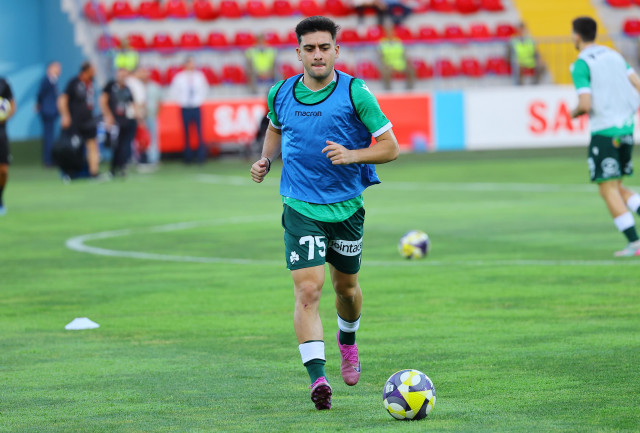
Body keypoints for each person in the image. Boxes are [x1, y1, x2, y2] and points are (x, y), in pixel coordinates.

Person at [249, 16, 399, 410]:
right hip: (300, 205)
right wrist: (266, 159)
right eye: (310, 48)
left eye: (324, 47)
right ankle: (318, 378)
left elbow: (390, 147)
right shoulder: (280, 92)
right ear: (298, 52)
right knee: (308, 289)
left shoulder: (355, 92)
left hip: (346, 208)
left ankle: (347, 341)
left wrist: (353, 155)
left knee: (345, 290)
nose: (318, 54)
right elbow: (276, 128)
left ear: (336, 50)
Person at [570, 16, 640, 257]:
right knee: (617, 186)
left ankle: (635, 243)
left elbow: (585, 104)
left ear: (576, 35)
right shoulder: (614, 55)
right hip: (626, 129)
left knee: (607, 189)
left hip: (604, 132)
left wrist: (573, 113)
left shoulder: (581, 64)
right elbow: (637, 84)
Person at [58, 62, 100, 177]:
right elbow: (62, 99)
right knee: (74, 147)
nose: (94, 73)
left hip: (89, 121)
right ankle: (70, 172)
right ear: (86, 71)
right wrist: (65, 115)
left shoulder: (91, 83)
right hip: (76, 122)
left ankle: (94, 173)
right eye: (92, 70)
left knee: (93, 146)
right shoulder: (74, 82)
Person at [169, 57, 209, 164]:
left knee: (199, 132)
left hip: (196, 106)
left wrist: (199, 100)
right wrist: (181, 101)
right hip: (185, 106)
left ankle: (201, 157)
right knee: (186, 132)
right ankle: (188, 157)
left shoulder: (199, 76)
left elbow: (205, 88)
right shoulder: (179, 77)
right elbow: (174, 91)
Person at [100, 68, 137, 177]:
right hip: (114, 121)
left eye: (124, 75)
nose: (122, 77)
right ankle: (113, 168)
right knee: (115, 145)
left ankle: (122, 167)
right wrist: (108, 115)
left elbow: (132, 103)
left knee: (124, 145)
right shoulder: (110, 86)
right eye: (120, 75)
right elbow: (103, 100)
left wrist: (136, 115)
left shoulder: (127, 89)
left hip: (126, 120)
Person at [36, 61, 61, 167]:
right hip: (47, 112)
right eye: (56, 67)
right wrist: (39, 105)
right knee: (48, 136)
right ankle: (48, 160)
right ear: (50, 68)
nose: (59, 70)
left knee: (51, 136)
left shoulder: (54, 81)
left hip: (52, 112)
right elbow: (40, 95)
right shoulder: (46, 81)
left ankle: (51, 159)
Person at [378, 23, 415, 90]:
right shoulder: (382, 43)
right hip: (388, 64)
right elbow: (380, 57)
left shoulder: (398, 41)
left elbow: (404, 54)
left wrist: (408, 61)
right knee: (386, 72)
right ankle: (388, 89)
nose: (390, 33)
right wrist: (385, 64)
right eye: (388, 32)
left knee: (411, 70)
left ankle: (409, 89)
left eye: (391, 31)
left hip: (400, 64)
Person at [0, 77, 16, 216]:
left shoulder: (4, 83)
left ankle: (0, 198)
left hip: (1, 133)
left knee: (3, 170)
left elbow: (12, 105)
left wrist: (5, 116)